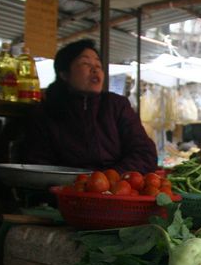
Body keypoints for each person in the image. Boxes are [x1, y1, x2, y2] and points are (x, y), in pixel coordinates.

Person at [22, 39, 157, 173]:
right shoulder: (47, 112)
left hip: (116, 188)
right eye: (85, 63)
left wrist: (108, 178)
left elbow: (145, 154)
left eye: (98, 65)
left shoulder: (117, 105)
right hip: (68, 189)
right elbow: (38, 163)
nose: (95, 69)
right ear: (64, 74)